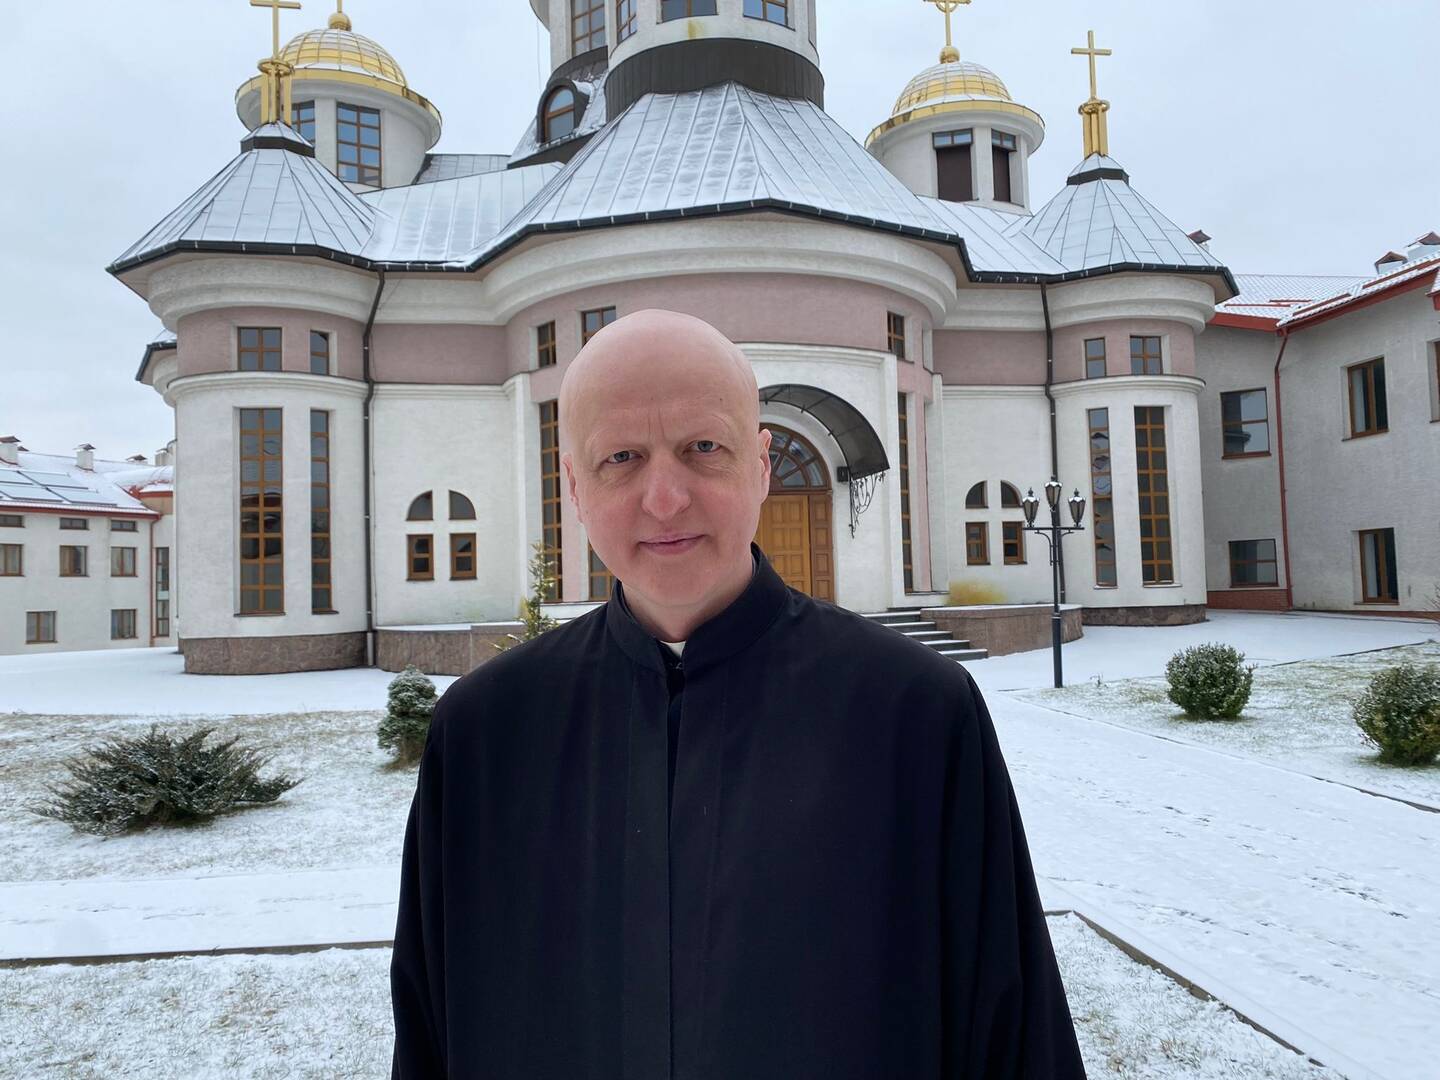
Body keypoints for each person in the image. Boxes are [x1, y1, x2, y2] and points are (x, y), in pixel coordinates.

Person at [389, 309, 1086, 1078]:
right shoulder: (487, 734)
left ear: (759, 464)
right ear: (574, 489)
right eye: (621, 457)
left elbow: (1012, 1032)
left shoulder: (915, 715)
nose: (665, 498)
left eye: (702, 449)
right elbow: (430, 1031)